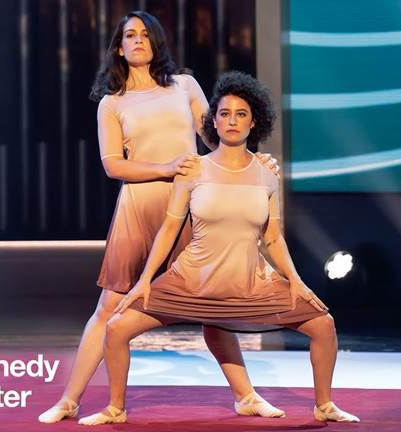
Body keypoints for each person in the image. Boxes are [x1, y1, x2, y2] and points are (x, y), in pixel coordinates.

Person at [38, 12, 282, 423]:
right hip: (138, 208)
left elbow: (216, 135)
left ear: (157, 43)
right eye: (129, 35)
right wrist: (167, 166)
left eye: (145, 35)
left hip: (189, 207)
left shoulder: (183, 85)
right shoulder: (112, 104)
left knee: (210, 306)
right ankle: (70, 400)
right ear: (119, 46)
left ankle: (246, 396)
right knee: (110, 307)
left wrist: (253, 161)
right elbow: (113, 165)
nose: (137, 41)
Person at [78, 71, 360, 425]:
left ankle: (324, 405)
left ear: (254, 121)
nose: (231, 121)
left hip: (250, 282)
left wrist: (297, 282)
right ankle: (115, 408)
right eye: (224, 113)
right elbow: (169, 229)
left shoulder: (267, 173)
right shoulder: (193, 169)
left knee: (323, 325)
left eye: (240, 114)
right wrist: (145, 280)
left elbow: (272, 238)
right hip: (191, 280)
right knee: (117, 326)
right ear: (213, 120)